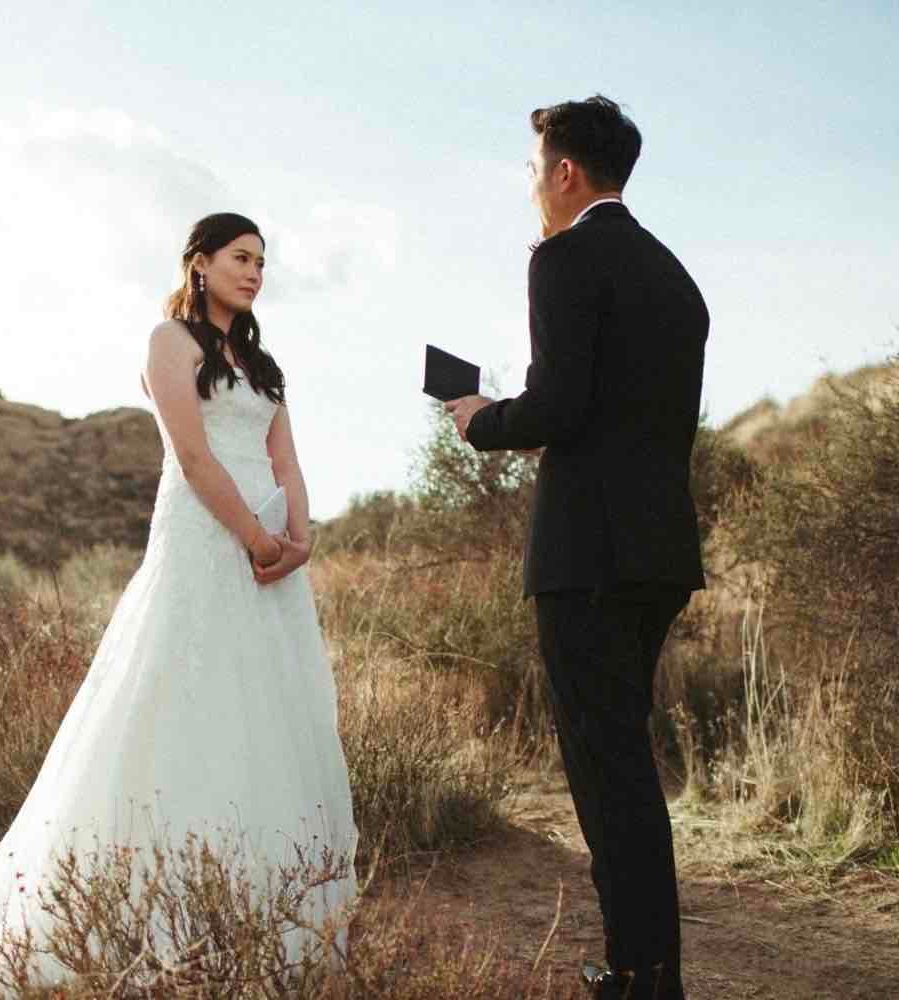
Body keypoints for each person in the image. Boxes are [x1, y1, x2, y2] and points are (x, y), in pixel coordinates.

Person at [0, 212, 359, 995]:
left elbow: (285, 455)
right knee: (184, 695)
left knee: (271, 706)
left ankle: (263, 898)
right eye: (240, 258)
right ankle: (152, 899)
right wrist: (250, 534)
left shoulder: (263, 361)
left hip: (273, 549)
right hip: (207, 535)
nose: (254, 272)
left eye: (262, 262)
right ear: (202, 264)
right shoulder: (168, 342)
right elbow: (190, 454)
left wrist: (300, 535)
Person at [445, 96, 708, 1000]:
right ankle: (648, 969)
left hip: (588, 555)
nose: (530, 186)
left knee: (608, 775)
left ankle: (639, 978)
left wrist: (482, 420)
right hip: (660, 551)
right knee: (626, 767)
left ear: (564, 172)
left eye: (532, 168)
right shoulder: (675, 274)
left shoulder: (563, 257)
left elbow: (560, 409)